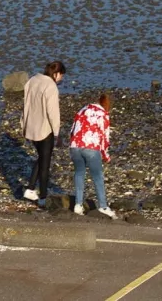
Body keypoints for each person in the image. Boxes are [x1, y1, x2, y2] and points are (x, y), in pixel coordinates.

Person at [21, 60, 66, 202]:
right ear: (57, 73)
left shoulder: (33, 80)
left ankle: (30, 189)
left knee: (41, 158)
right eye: (62, 75)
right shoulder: (51, 86)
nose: (62, 79)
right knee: (45, 164)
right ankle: (43, 197)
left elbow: (25, 104)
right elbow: (53, 112)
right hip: (45, 130)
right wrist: (57, 132)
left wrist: (23, 124)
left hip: (31, 127)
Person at [70, 91, 117, 219]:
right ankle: (103, 206)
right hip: (90, 147)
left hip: (75, 146)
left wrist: (73, 143)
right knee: (97, 176)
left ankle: (78, 205)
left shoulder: (83, 109)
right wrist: (105, 155)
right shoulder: (103, 114)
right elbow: (104, 137)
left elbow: (73, 128)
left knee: (79, 173)